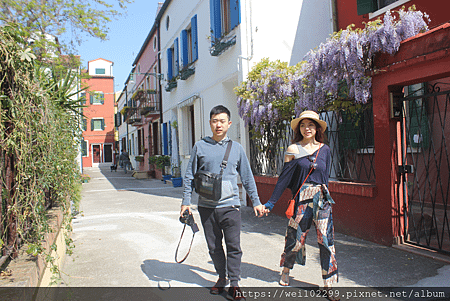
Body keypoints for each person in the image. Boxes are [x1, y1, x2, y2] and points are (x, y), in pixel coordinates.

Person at [181, 105, 266, 301]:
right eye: (214, 121)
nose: (218, 125)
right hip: (206, 206)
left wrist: (256, 201)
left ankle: (235, 283)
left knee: (233, 245)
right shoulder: (200, 146)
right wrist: (185, 202)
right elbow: (188, 176)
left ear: (228, 124)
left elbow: (247, 177)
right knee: (214, 247)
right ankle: (221, 277)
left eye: (222, 121)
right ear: (210, 123)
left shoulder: (236, 148)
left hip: (230, 206)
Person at [262, 110, 338, 298]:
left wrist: (325, 199)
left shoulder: (325, 149)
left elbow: (325, 177)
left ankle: (330, 284)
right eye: (303, 125)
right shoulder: (293, 149)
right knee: (295, 238)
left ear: (317, 128)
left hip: (322, 199)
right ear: (299, 129)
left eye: (311, 125)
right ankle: (286, 269)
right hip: (302, 200)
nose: (307, 128)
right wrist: (271, 202)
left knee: (326, 241)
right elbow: (284, 179)